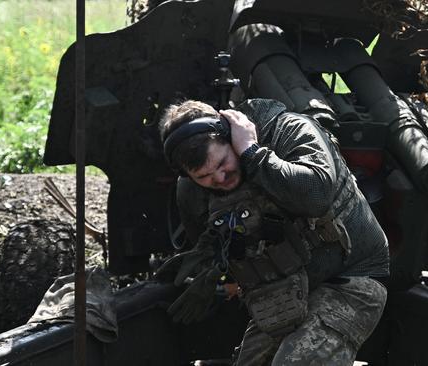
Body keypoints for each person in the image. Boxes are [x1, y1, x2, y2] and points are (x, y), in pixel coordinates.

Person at [158, 98, 389, 365]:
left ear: (231, 134)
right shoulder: (192, 191)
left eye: (223, 163)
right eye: (205, 177)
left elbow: (317, 195)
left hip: (352, 279)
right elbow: (217, 242)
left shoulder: (291, 131)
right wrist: (214, 273)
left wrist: (252, 154)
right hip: (283, 292)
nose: (220, 179)